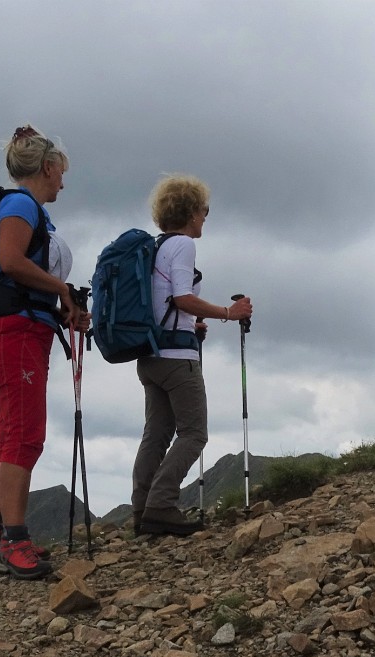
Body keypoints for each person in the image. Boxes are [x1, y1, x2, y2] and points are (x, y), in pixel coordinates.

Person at [0, 125, 90, 578]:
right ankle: (14, 542)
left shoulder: (25, 207)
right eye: (62, 171)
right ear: (48, 167)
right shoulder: (22, 203)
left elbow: (16, 271)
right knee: (25, 436)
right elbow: (10, 260)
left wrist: (58, 303)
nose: (64, 180)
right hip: (18, 334)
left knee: (9, 434)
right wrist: (61, 288)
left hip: (16, 330)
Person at [133, 174, 253, 536]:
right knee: (194, 433)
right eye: (203, 210)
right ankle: (161, 505)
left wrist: (190, 325)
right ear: (188, 212)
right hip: (176, 359)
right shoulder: (183, 245)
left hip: (150, 356)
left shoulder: (155, 246)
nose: (205, 217)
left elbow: (166, 302)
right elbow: (182, 297)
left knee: (155, 435)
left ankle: (141, 511)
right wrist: (230, 314)